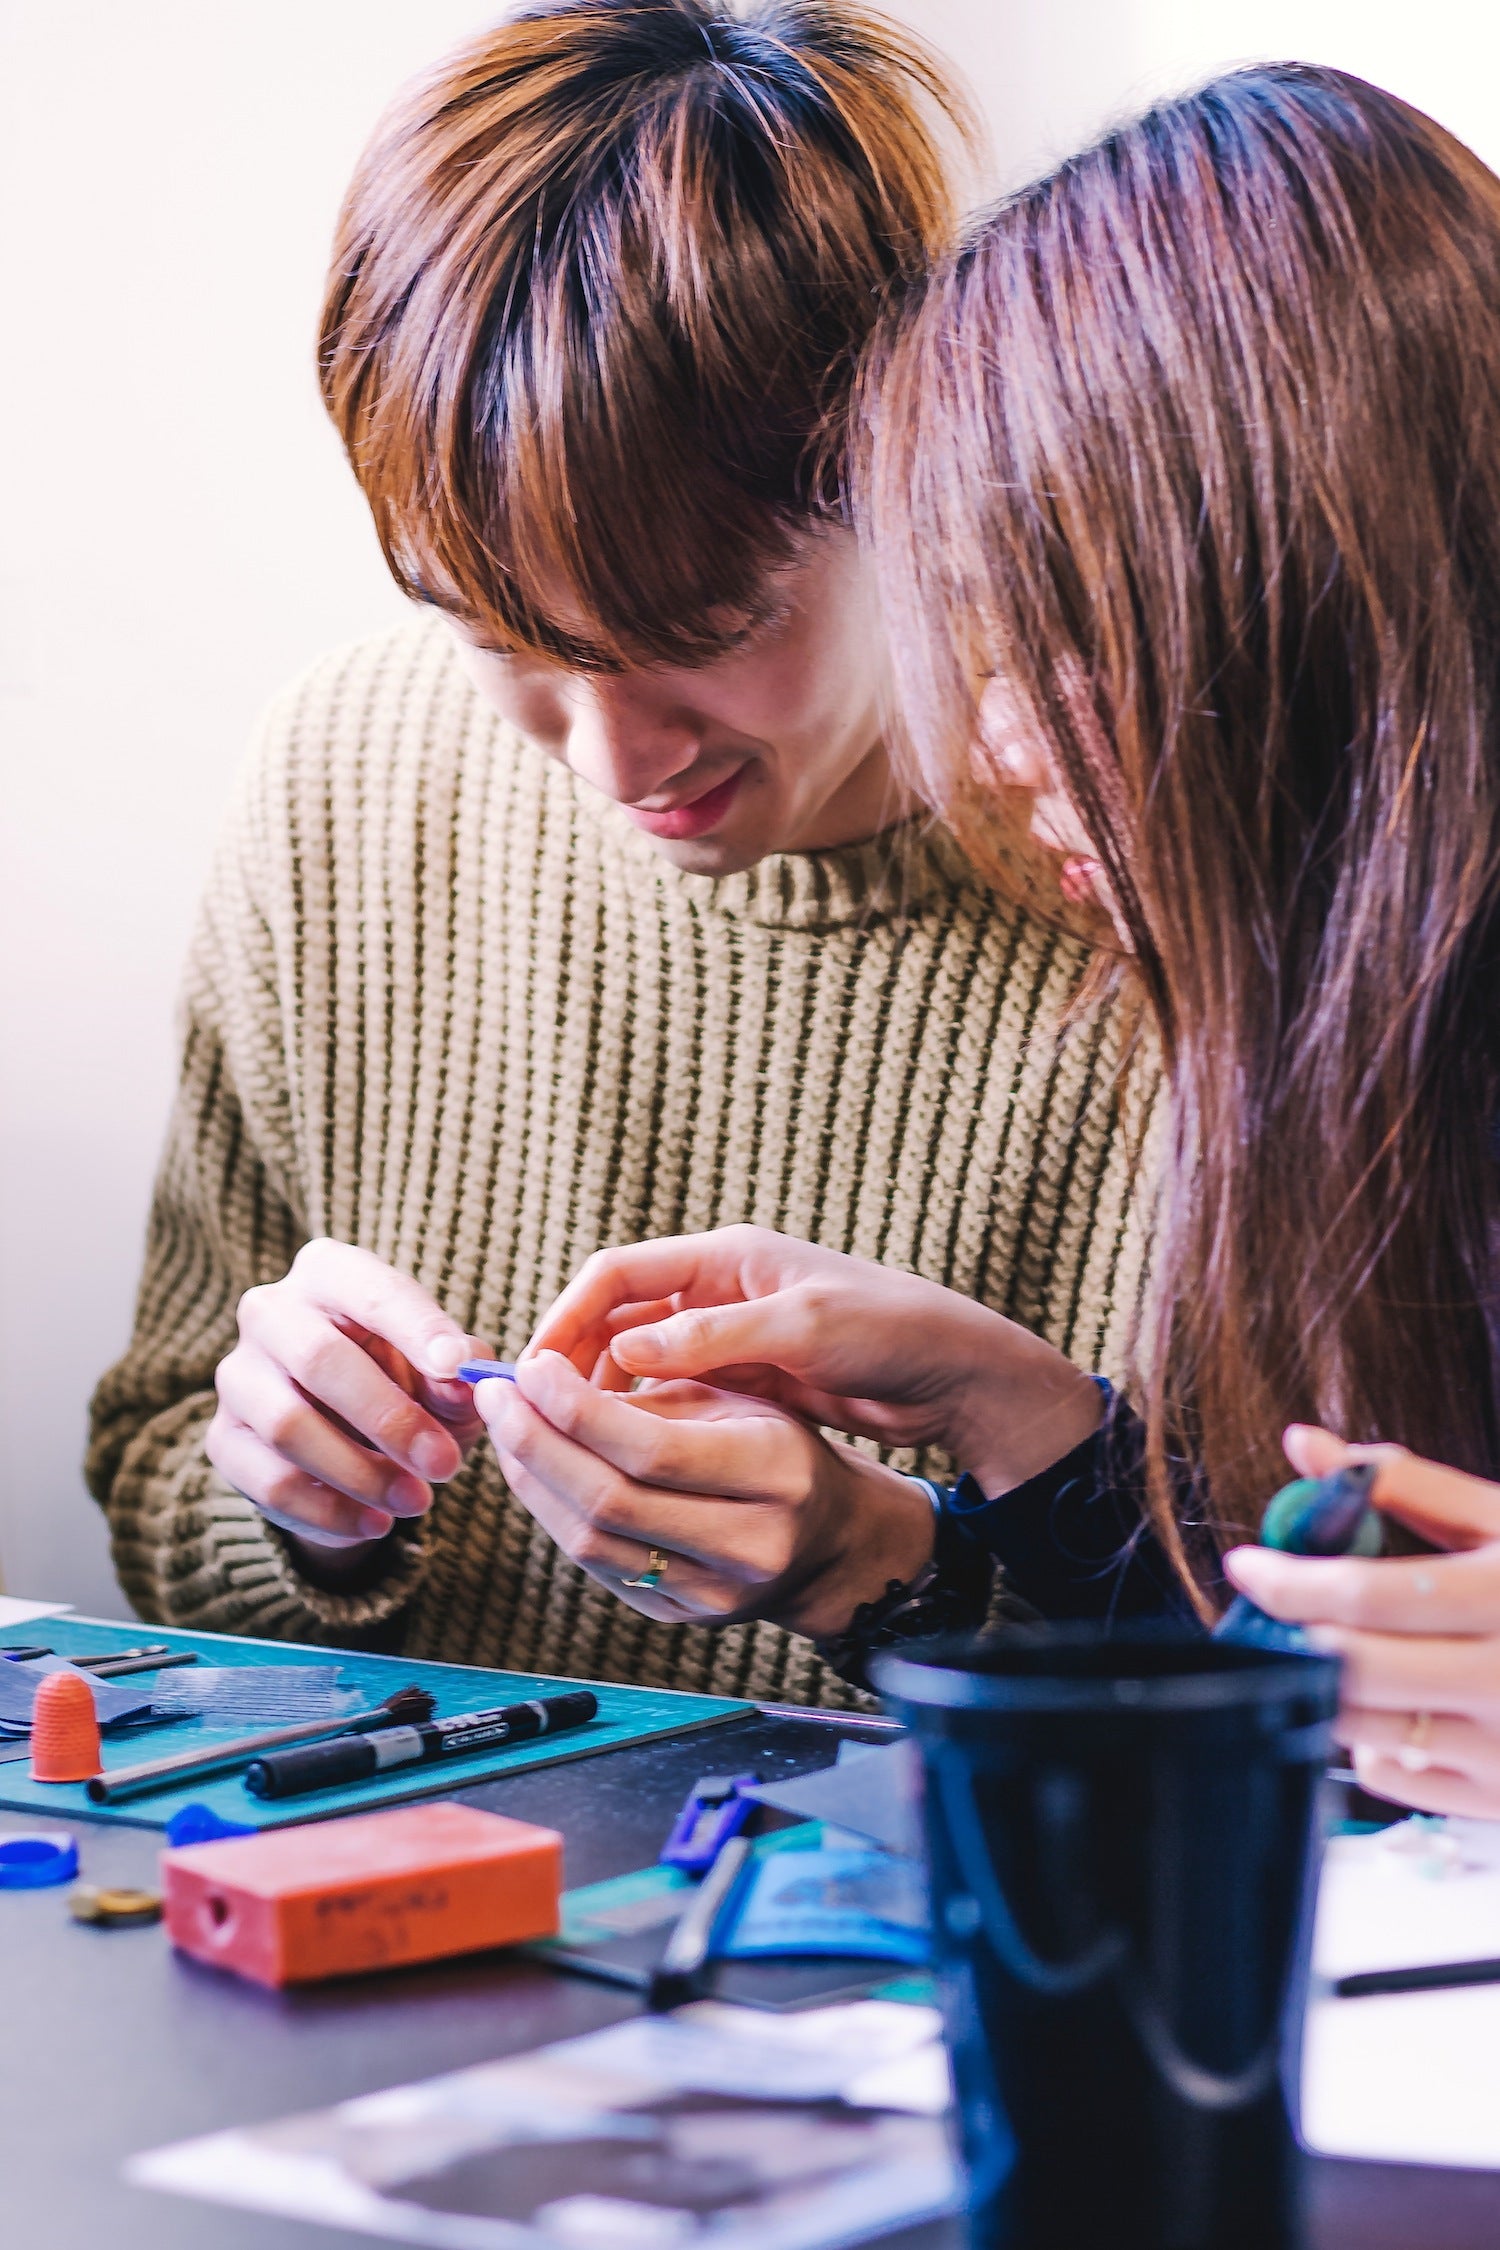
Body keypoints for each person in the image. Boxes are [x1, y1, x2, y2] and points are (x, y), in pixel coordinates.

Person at [87, 0, 1160, 1706]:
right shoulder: (341, 778)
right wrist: (311, 1510)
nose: (610, 756)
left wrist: (877, 1566)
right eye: (498, 633)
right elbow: (153, 1471)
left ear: (912, 473)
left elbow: (1288, 1708)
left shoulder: (1152, 884)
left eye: (704, 624)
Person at [490, 64, 1500, 1814]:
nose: (996, 746)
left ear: (1303, 622)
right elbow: (1300, 1736)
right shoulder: (1339, 1064)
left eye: (1065, 641)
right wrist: (1005, 1407)